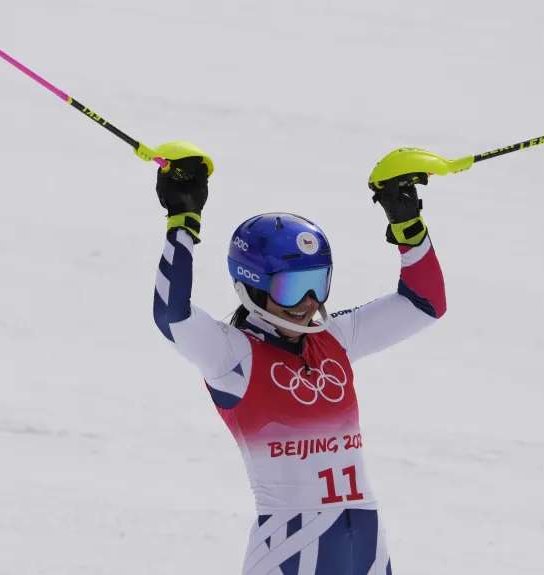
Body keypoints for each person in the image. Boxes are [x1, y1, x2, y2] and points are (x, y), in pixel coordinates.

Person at [151, 141, 446, 575]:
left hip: (367, 548)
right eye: (291, 288)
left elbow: (425, 304)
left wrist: (408, 224)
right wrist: (183, 220)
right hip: (290, 552)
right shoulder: (231, 357)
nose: (308, 303)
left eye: (317, 283)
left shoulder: (334, 339)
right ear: (252, 286)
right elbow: (171, 315)